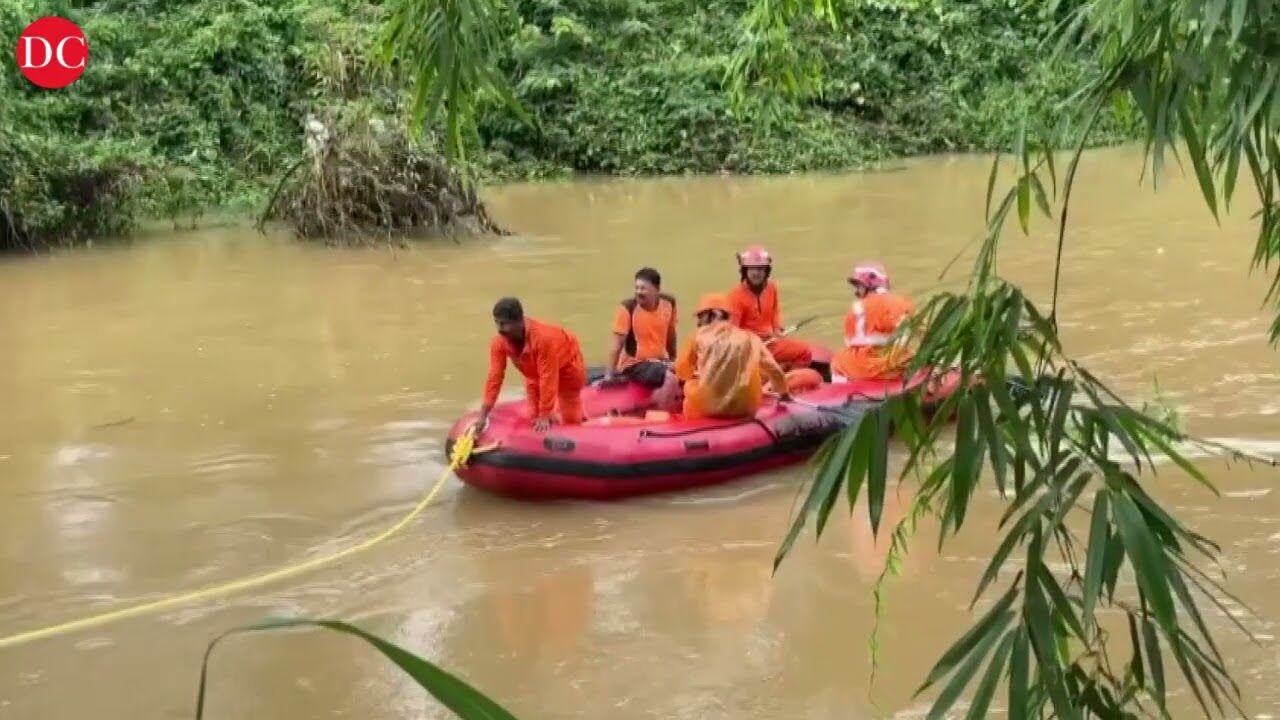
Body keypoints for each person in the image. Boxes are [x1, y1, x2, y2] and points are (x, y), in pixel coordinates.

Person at [477, 297, 587, 433]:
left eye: (504, 324)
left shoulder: (543, 340)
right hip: (533, 373)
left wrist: (545, 414)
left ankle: (578, 420)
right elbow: (494, 378)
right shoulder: (499, 343)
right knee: (532, 416)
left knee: (570, 419)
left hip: (567, 366)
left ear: (519, 321)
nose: (499, 329)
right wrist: (483, 414)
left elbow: (548, 377)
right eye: (497, 323)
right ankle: (553, 415)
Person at [674, 293, 792, 420]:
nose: (698, 323)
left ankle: (689, 421)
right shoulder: (751, 337)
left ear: (711, 315)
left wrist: (699, 373)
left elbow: (682, 372)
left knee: (689, 386)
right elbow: (775, 371)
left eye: (700, 317)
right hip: (747, 408)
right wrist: (784, 395)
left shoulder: (698, 337)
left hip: (709, 409)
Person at [726, 245, 813, 371]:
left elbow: (775, 312)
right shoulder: (735, 296)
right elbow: (732, 333)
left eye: (760, 269)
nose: (756, 273)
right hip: (750, 349)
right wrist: (753, 343)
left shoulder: (772, 287)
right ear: (745, 271)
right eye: (752, 269)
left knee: (805, 353)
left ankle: (787, 378)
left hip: (771, 342)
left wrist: (776, 329)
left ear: (766, 271)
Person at [830, 261, 916, 383]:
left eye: (859, 287)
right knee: (909, 353)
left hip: (866, 368)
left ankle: (841, 390)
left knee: (838, 360)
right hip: (896, 364)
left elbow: (849, 341)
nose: (857, 291)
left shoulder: (858, 307)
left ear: (868, 286)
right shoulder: (904, 303)